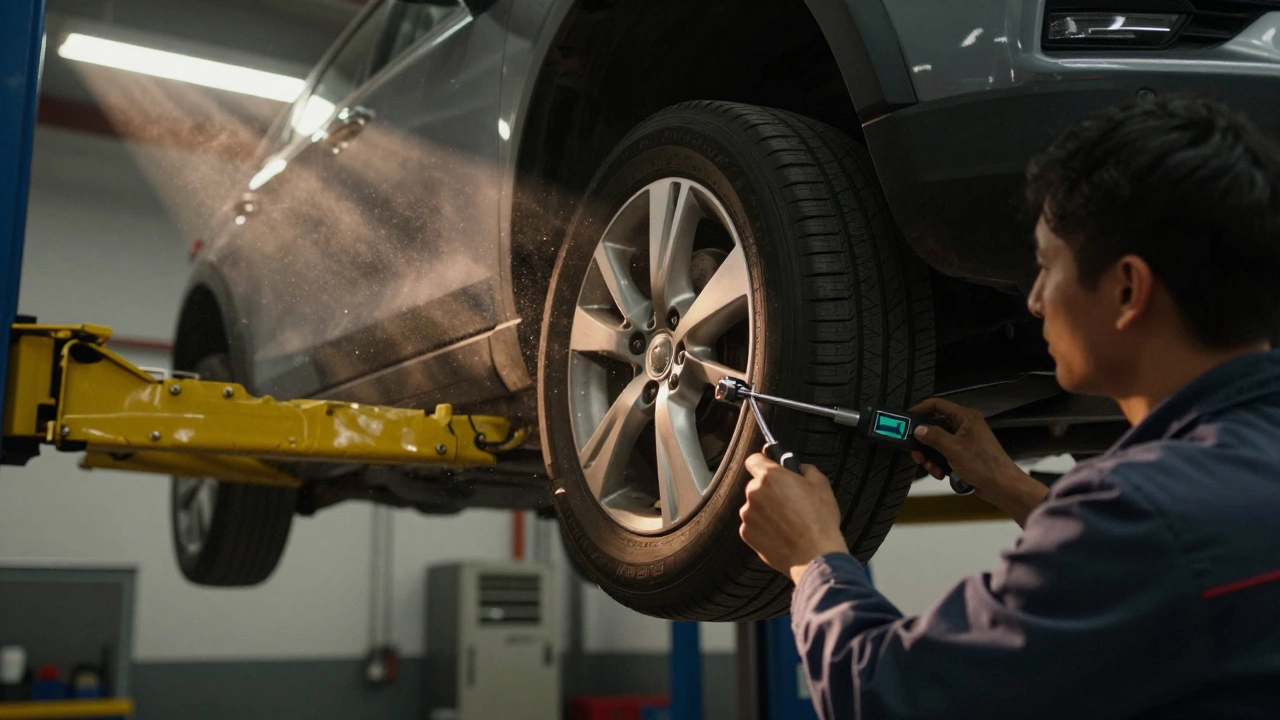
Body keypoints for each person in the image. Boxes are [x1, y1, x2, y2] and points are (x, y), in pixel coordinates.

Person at [737, 96, 1280, 719]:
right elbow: (1169, 562)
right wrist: (1007, 484)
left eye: (1046, 268)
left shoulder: (1137, 519)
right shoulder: (1186, 510)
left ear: (1128, 289)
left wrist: (813, 557)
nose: (1035, 303)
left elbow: (891, 695)